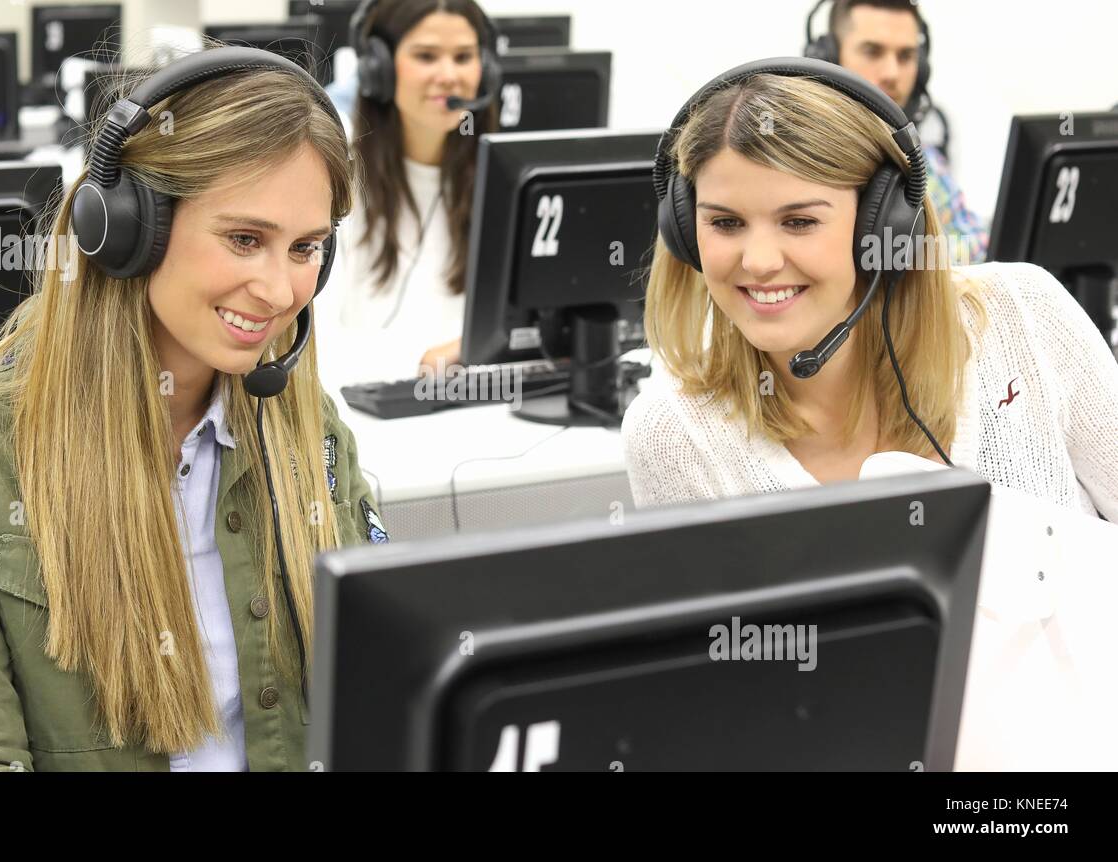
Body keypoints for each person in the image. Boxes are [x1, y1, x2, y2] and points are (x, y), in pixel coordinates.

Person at [0, 47, 388, 772]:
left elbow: (385, 697)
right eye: (244, 239)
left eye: (306, 248)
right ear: (124, 228)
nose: (279, 290)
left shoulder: (306, 428)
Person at [622, 58, 1118, 523]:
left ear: (882, 228)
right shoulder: (673, 435)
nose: (759, 262)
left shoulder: (1024, 317)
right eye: (726, 223)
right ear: (685, 234)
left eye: (799, 221)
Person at [314, 0, 502, 386]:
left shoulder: (504, 178)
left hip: (478, 410)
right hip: (363, 412)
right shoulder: (332, 173)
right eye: (426, 56)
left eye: (464, 57)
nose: (449, 76)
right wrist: (421, 360)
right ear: (376, 68)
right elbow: (312, 344)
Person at [804, 0, 988, 263]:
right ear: (828, 58)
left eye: (905, 56)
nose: (892, 73)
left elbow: (975, 245)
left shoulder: (921, 157)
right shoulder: (790, 151)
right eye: (872, 51)